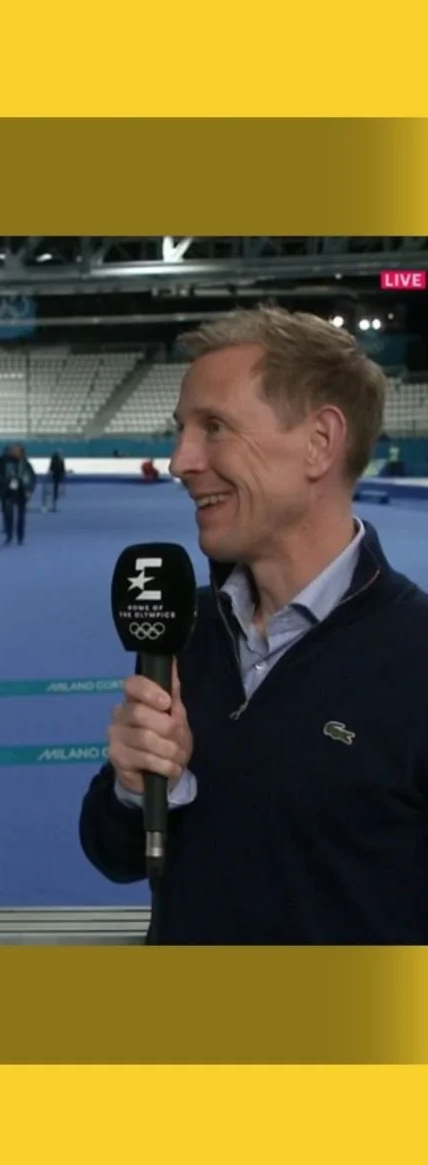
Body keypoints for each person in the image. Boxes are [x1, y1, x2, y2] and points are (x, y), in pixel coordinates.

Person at [80, 305, 428, 945]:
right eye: (181, 429)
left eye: (214, 427)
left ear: (320, 442)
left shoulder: (416, 655)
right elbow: (116, 853)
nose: (180, 460)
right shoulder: (183, 631)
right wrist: (134, 789)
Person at [0, 444, 36, 545]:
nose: (14, 452)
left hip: (22, 492)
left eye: (17, 451)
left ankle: (20, 537)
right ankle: (9, 535)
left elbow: (32, 478)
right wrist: (1, 487)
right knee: (9, 515)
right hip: (8, 492)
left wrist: (29, 490)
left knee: (21, 516)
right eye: (13, 450)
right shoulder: (3, 462)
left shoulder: (25, 464)